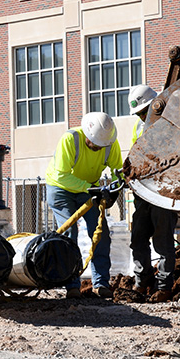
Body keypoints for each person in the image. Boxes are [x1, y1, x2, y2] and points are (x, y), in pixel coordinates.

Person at [45, 112, 123, 299]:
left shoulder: (109, 142)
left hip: (88, 189)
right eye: (94, 143)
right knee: (69, 234)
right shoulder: (70, 139)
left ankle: (101, 284)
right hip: (61, 189)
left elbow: (118, 172)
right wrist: (91, 189)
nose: (97, 147)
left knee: (100, 232)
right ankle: (72, 284)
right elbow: (62, 175)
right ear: (87, 135)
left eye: (100, 145)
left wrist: (114, 190)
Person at [127, 84, 178, 303]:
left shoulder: (172, 121)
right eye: (138, 113)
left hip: (164, 190)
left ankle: (165, 286)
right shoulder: (139, 126)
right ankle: (142, 282)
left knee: (163, 239)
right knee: (138, 238)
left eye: (142, 111)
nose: (140, 116)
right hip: (144, 191)